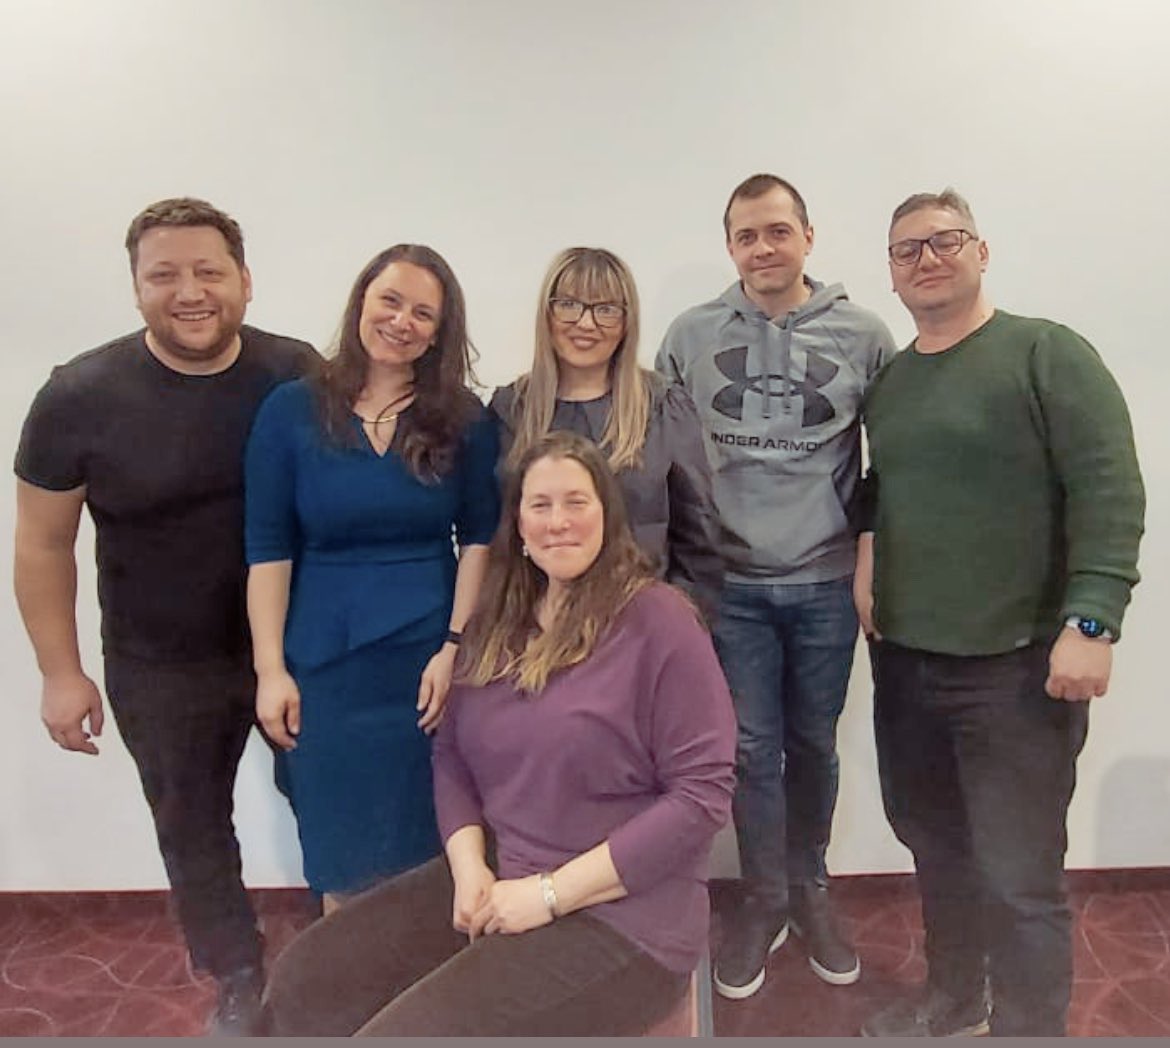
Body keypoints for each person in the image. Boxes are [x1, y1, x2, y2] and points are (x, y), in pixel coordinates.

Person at [261, 431, 737, 1037]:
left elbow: (701, 800)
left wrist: (549, 895)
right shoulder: (496, 621)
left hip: (627, 921)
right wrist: (468, 869)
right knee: (308, 977)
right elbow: (452, 755)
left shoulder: (660, 621)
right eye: (540, 505)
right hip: (503, 871)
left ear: (607, 515)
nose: (559, 521)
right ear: (517, 522)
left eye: (577, 501)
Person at [12, 197, 318, 1036]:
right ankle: (237, 976)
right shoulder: (77, 396)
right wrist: (59, 672)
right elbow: (43, 543)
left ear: (245, 282)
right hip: (160, 661)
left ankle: (344, 958)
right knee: (191, 832)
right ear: (137, 288)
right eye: (165, 275)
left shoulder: (297, 375)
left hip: (292, 648)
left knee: (329, 803)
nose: (190, 291)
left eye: (208, 271)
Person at [856, 188, 1145, 1037]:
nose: (927, 258)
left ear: (983, 252)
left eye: (945, 240)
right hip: (907, 664)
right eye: (908, 249)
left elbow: (1108, 487)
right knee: (936, 851)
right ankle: (954, 1003)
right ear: (892, 273)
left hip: (1016, 670)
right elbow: (885, 488)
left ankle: (1028, 1028)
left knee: (1020, 877)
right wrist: (867, 562)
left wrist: (1092, 623)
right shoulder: (894, 383)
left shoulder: (1045, 353)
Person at [657, 173, 896, 998]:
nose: (763, 248)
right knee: (751, 751)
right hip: (734, 592)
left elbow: (888, 468)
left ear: (808, 236)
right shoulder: (690, 336)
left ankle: (811, 890)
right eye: (746, 235)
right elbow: (668, 467)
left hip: (826, 583)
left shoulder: (866, 336)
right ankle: (764, 899)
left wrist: (870, 565)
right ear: (729, 246)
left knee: (814, 745)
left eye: (777, 231)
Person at [244, 244, 500, 914]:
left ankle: (422, 1000)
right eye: (390, 300)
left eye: (424, 312)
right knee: (340, 844)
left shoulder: (464, 417)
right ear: (362, 300)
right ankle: (350, 995)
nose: (402, 321)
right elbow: (267, 548)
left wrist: (455, 647)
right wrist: (270, 669)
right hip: (324, 662)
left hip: (427, 662)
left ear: (440, 331)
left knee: (429, 838)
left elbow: (480, 538)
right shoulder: (290, 410)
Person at [491, 247, 721, 619]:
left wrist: (680, 625)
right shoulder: (510, 410)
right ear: (546, 314)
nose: (585, 323)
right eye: (569, 304)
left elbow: (699, 540)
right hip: (533, 623)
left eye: (606, 309)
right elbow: (494, 535)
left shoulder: (663, 407)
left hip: (639, 623)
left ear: (628, 322)